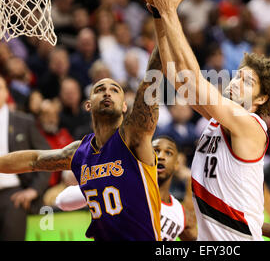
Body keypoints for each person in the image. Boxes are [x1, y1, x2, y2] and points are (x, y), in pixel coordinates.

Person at [141, 0, 270, 241]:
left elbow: (194, 79)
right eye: (238, 77)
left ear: (260, 99)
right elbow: (177, 78)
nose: (235, 83)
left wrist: (171, 12)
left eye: (247, 83)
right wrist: (158, 16)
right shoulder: (217, 119)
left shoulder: (250, 125)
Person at [0, 45, 164, 241]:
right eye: (100, 89)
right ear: (88, 104)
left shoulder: (133, 138)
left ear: (124, 106)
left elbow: (150, 82)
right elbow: (34, 160)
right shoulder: (79, 152)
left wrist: (161, 24)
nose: (107, 93)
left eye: (114, 90)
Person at [55, 136, 198, 241]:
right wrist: (95, 187)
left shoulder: (181, 213)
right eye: (155, 150)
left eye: (168, 153)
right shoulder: (124, 187)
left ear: (177, 163)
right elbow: (61, 201)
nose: (160, 156)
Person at [0, 76, 51, 241]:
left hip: (13, 194)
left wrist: (34, 190)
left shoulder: (23, 122)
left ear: (7, 92)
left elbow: (47, 157)